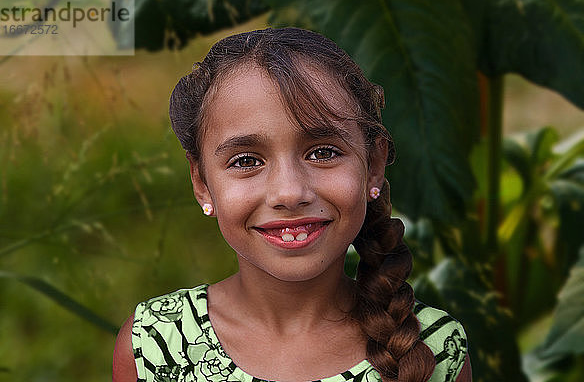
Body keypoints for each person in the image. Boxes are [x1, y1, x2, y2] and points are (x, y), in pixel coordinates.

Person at [113, 27, 472, 382]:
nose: (289, 193)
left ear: (373, 167)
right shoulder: (155, 344)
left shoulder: (433, 349)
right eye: (245, 161)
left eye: (322, 153)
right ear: (202, 183)